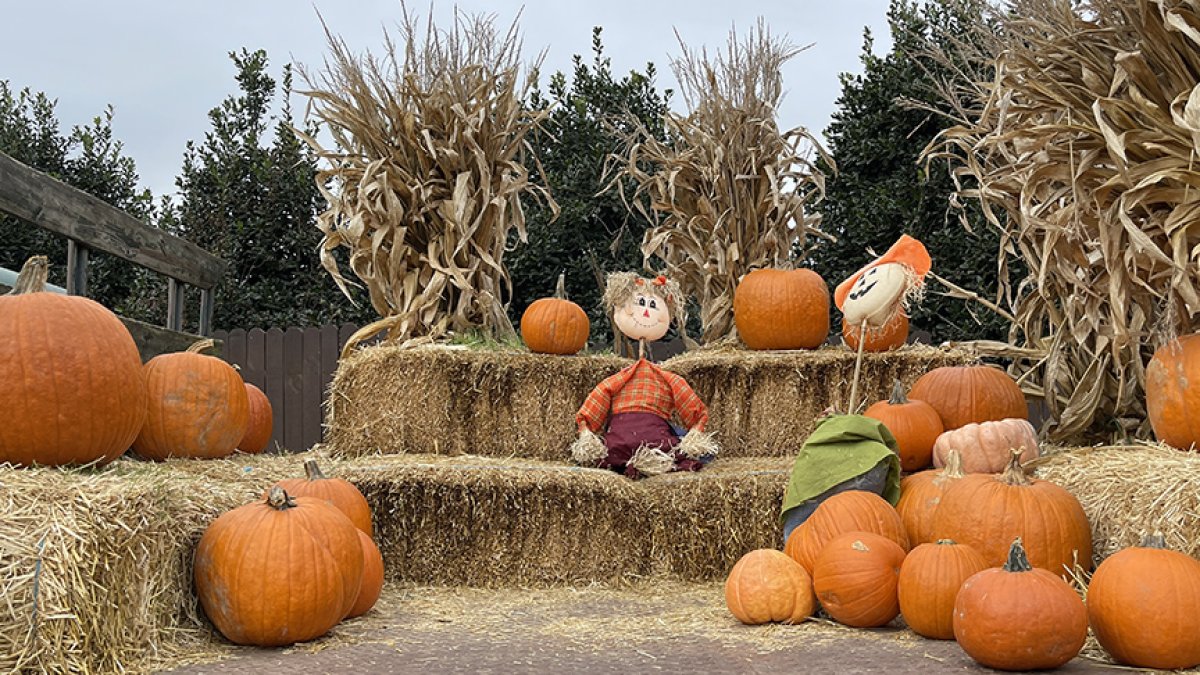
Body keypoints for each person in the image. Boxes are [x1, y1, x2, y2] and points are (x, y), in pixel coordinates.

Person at [569, 272, 717, 478]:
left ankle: (620, 458)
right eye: (641, 303)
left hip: (618, 440)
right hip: (655, 441)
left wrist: (586, 430)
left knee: (611, 448)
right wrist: (696, 429)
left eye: (653, 305)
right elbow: (692, 407)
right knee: (700, 454)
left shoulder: (619, 379)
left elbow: (597, 400)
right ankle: (653, 459)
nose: (647, 312)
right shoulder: (667, 378)